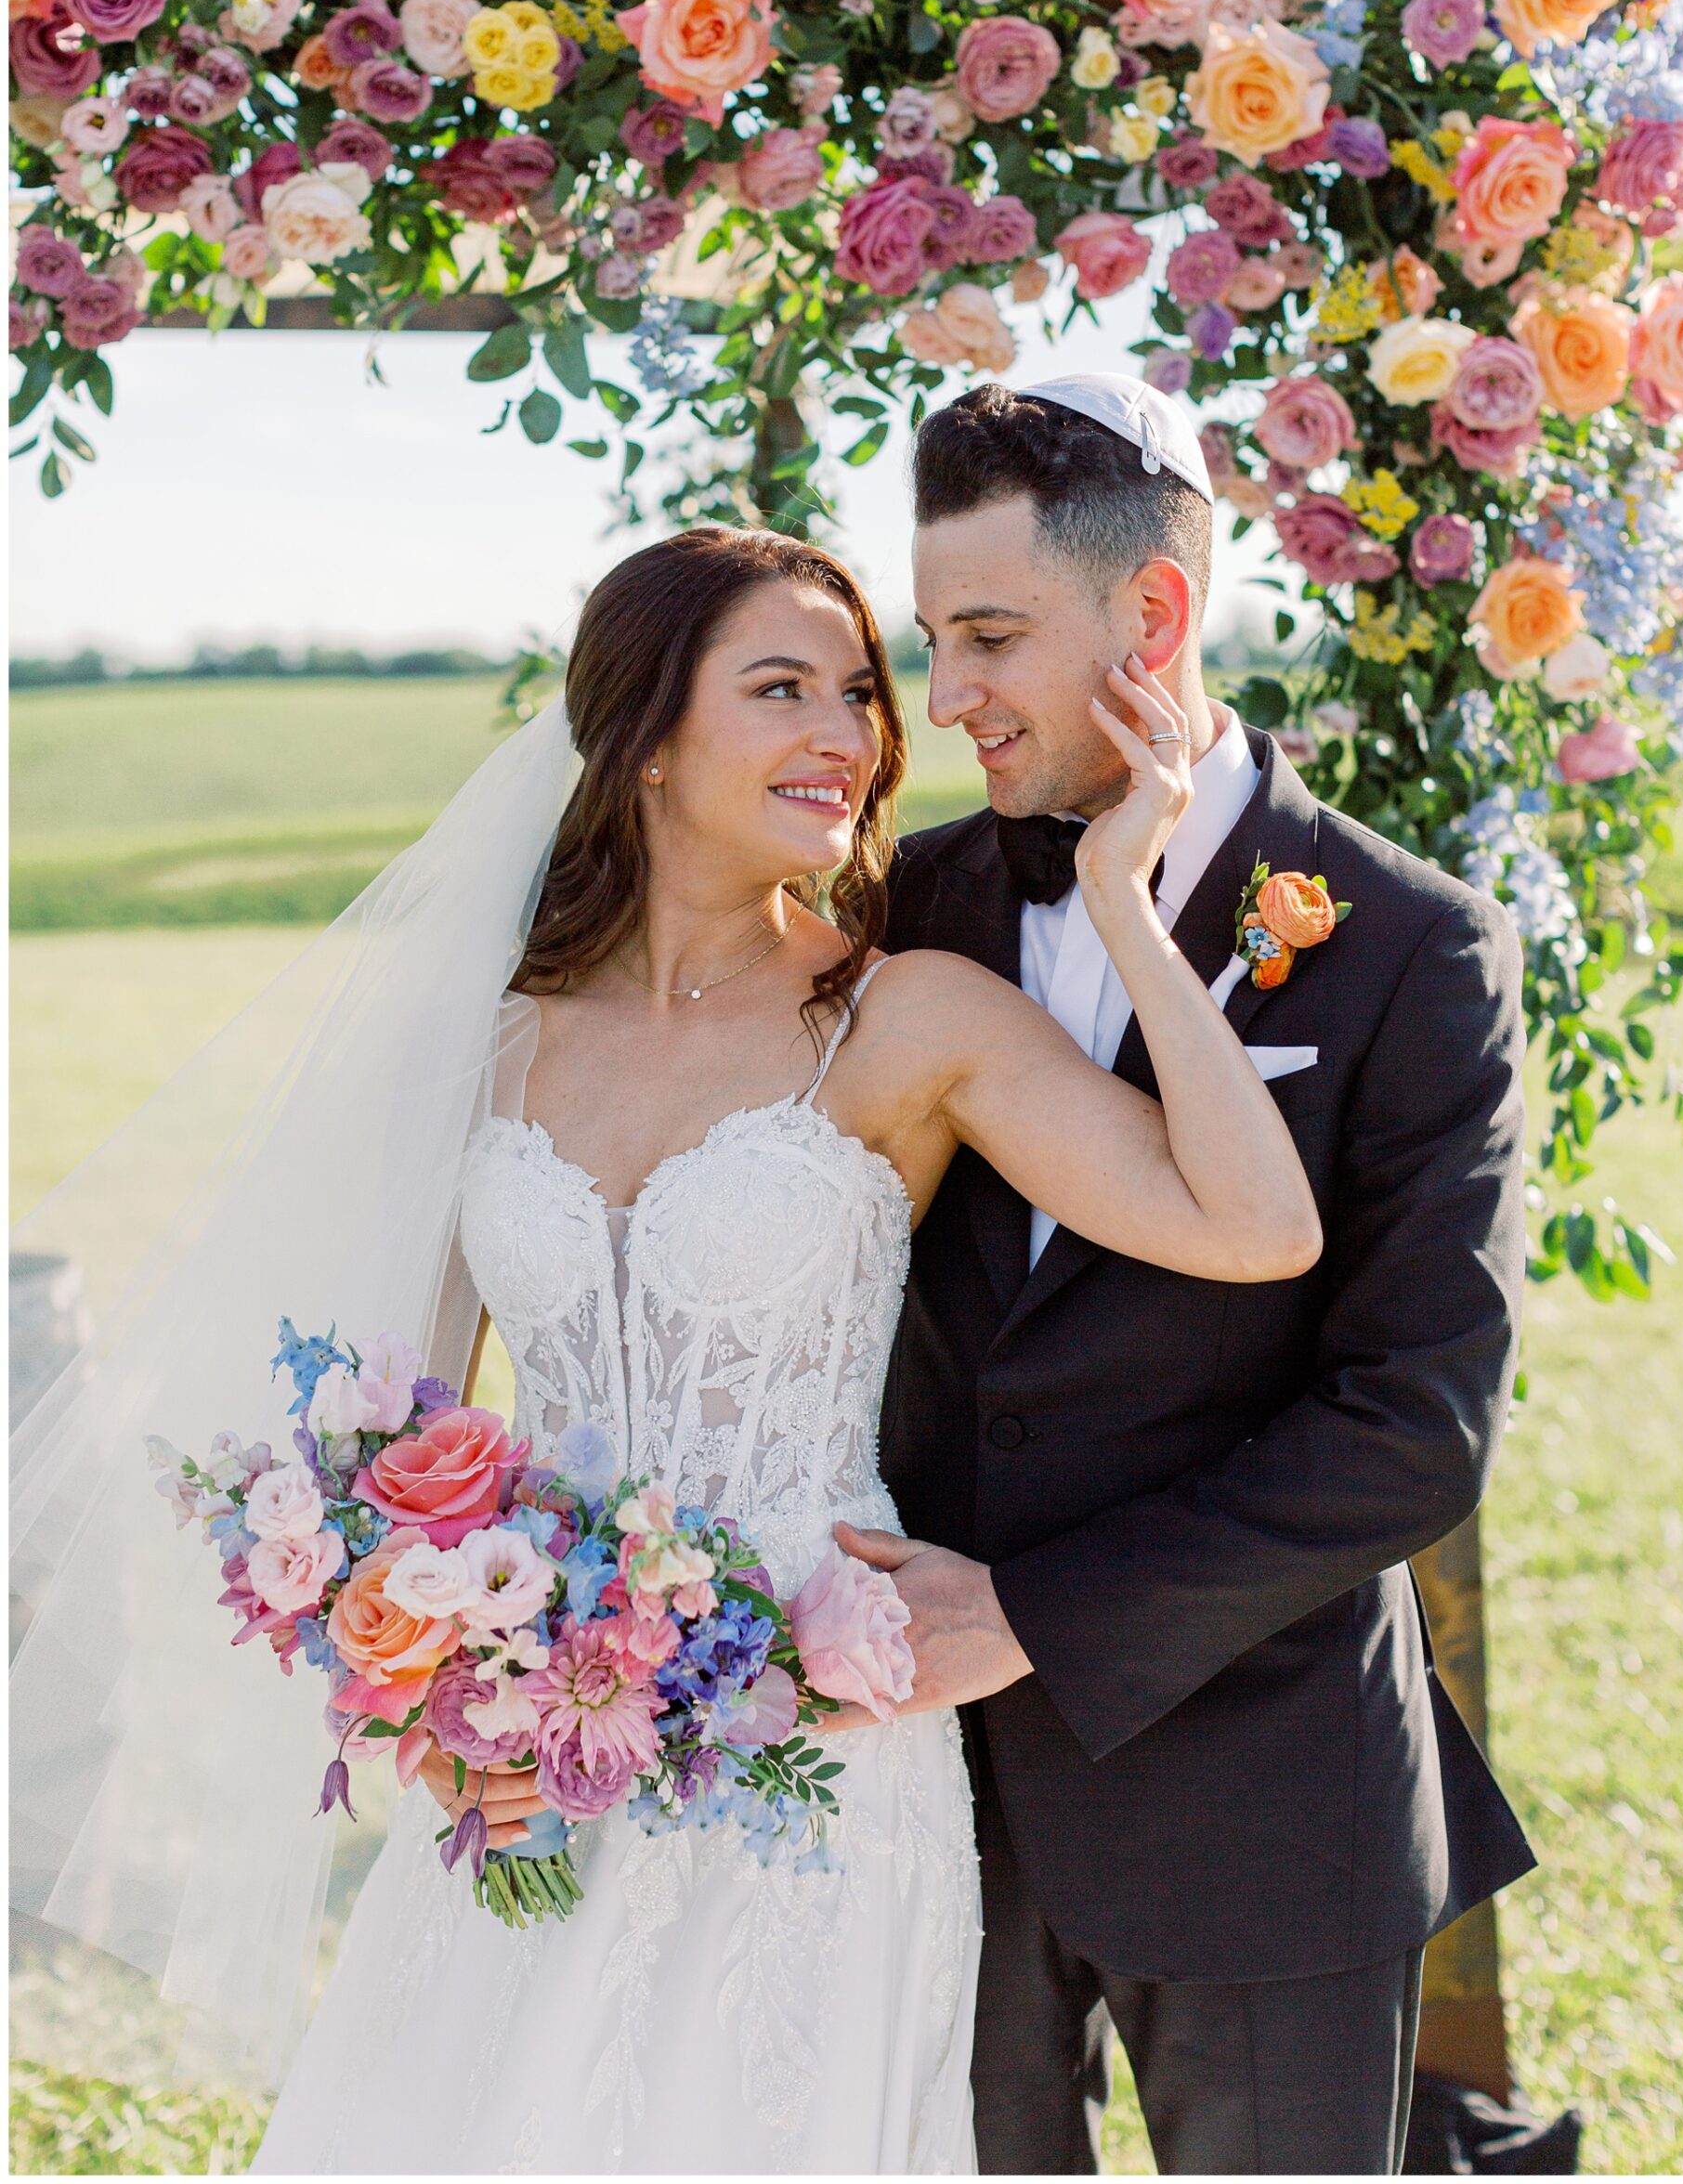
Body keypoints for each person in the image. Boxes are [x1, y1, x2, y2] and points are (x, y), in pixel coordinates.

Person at [232, 522, 1319, 2174]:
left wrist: (1125, 901)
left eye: (859, 693)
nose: (850, 734)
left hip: (811, 1740)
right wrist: (444, 1723)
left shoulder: (908, 1014)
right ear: (649, 737)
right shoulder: (493, 1030)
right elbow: (393, 1450)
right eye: (782, 688)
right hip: (536, 1752)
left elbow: (1253, 1227)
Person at [840, 374, 1538, 2177]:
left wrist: (1035, 1612)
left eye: (990, 633)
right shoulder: (895, 911)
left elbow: (1413, 1428)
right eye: (932, 638)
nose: (949, 697)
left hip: (1269, 1799)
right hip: (919, 1797)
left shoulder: (1412, 951)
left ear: (1154, 612)